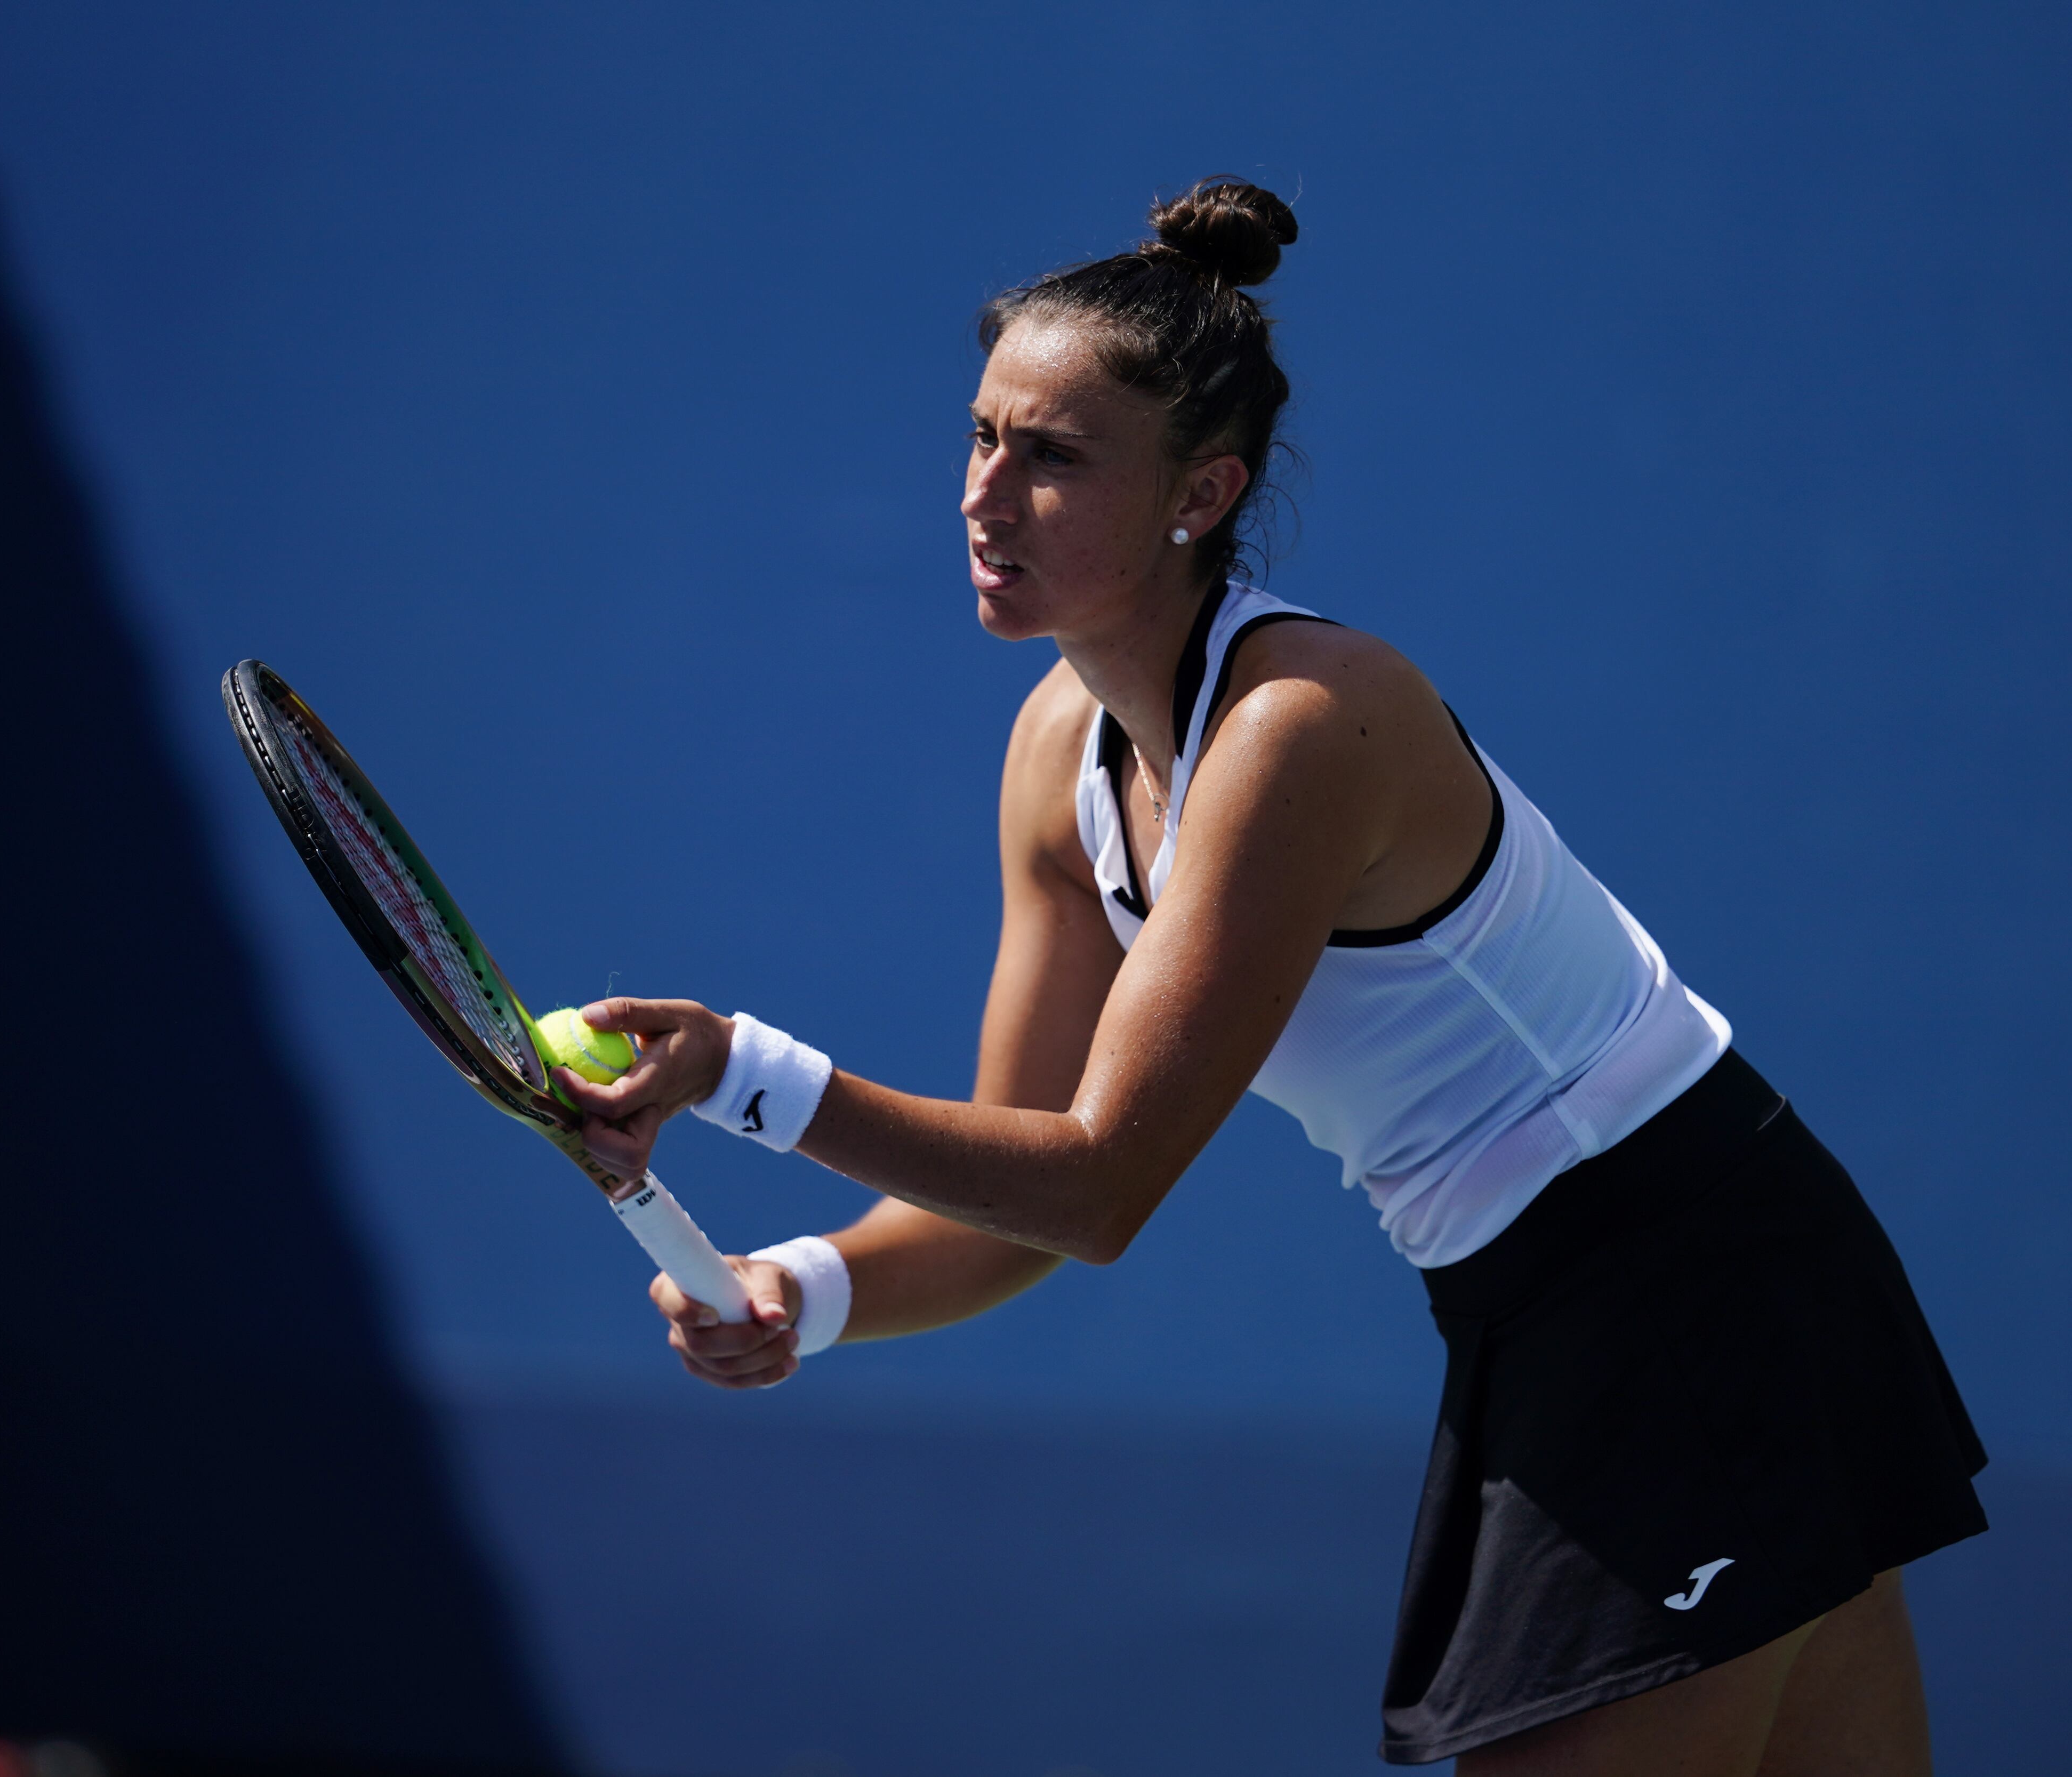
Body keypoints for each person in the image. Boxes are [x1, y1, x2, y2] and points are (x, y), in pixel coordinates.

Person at [555, 180, 1988, 1773]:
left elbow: (1098, 1189)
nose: (985, 494)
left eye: (1054, 456)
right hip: (1589, 1296)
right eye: (981, 438)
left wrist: (740, 1071)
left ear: (1201, 491)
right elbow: (1011, 1204)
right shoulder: (1059, 760)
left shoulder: (1301, 725)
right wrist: (807, 1291)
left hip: (1683, 1280)